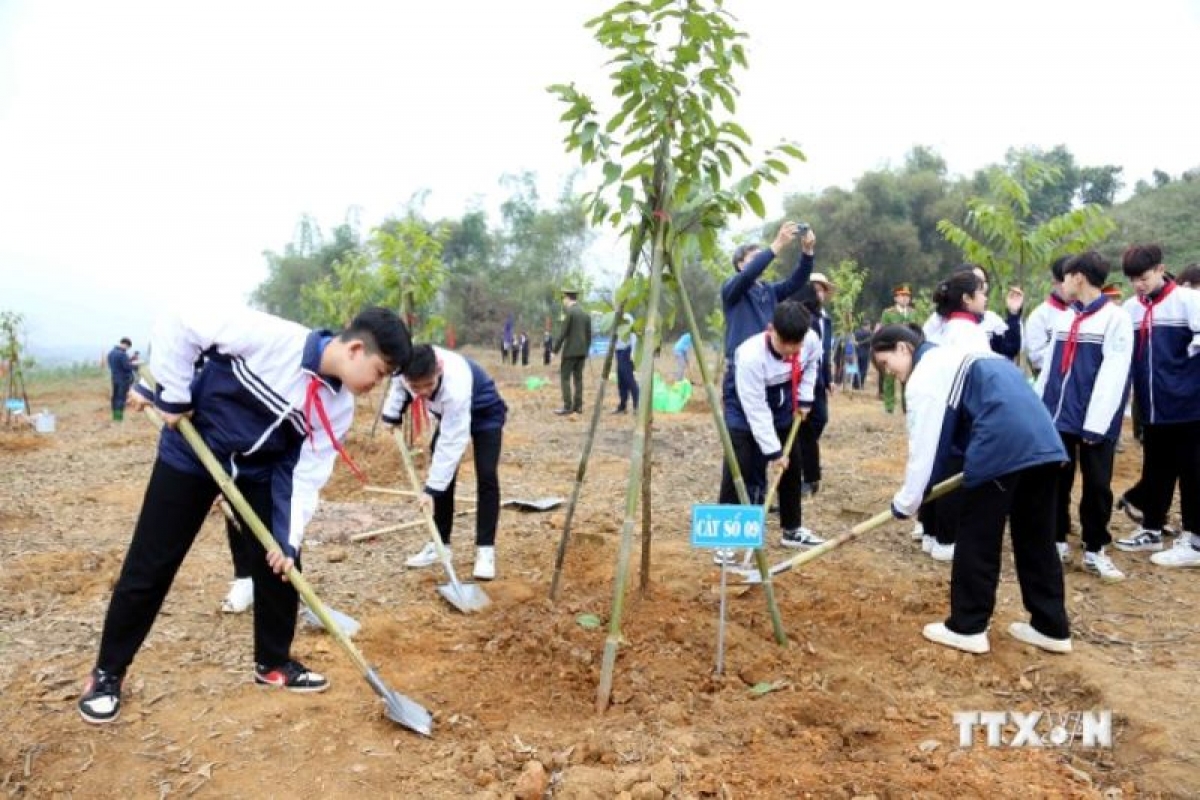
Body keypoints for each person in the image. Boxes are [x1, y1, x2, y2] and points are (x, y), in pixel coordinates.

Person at [77, 305, 412, 724]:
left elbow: (307, 475)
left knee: (281, 561)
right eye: (380, 373)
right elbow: (178, 319)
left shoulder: (338, 406)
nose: (375, 385)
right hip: (193, 450)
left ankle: (273, 663)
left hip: (258, 471)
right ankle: (107, 673)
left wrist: (288, 539)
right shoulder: (271, 337)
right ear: (357, 349)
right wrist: (176, 394)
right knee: (152, 562)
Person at [874, 324, 1070, 655]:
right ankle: (1051, 626)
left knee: (977, 536)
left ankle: (968, 626)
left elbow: (925, 448)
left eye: (885, 363)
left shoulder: (926, 374)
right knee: (1036, 538)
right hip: (1044, 441)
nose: (889, 373)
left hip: (1001, 443)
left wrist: (905, 503)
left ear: (903, 349)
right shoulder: (962, 355)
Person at [1034, 251, 1132, 581]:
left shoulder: (1114, 319)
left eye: (1065, 277)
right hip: (1058, 417)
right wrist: (1038, 408)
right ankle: (1057, 539)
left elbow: (1114, 374)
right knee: (1056, 480)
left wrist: (1096, 423)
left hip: (1094, 420)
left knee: (1097, 486)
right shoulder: (1064, 317)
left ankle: (1094, 548)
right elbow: (1048, 369)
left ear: (1079, 277)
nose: (1061, 283)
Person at [383, 344, 507, 580]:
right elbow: (399, 387)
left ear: (438, 370)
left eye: (428, 385)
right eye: (416, 387)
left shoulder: (455, 385)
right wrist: (392, 413)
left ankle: (485, 550)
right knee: (441, 475)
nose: (423, 392)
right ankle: (440, 544)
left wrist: (430, 490)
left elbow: (452, 443)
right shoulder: (405, 370)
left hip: (484, 412)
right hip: (450, 415)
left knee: (487, 474)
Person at [716, 301, 824, 565]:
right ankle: (726, 541)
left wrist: (805, 397)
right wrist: (774, 451)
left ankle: (792, 529)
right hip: (744, 406)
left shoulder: (809, 339)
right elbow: (755, 408)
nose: (789, 350)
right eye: (784, 343)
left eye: (794, 345)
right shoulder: (751, 356)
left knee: (792, 463)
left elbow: (811, 365)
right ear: (771, 329)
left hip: (783, 396)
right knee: (740, 467)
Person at [1112, 245, 1200, 568]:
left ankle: (1195, 540)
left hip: (1189, 406)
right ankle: (1151, 528)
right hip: (1152, 406)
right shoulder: (1131, 309)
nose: (1139, 284)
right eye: (1133, 279)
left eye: (1144, 277)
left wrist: (1185, 378)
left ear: (1161, 269)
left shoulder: (1188, 302)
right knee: (1156, 467)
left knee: (1193, 471)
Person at [913, 269, 996, 562]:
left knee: (939, 468)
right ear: (967, 298)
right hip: (962, 410)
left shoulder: (945, 327)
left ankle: (931, 532)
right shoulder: (969, 333)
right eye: (982, 292)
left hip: (944, 408)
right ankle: (946, 539)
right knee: (953, 475)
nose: (986, 298)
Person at [721, 222, 813, 364]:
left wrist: (807, 253)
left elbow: (796, 282)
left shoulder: (769, 290)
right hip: (741, 363)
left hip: (768, 362)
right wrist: (778, 243)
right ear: (740, 264)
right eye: (755, 258)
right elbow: (748, 274)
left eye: (761, 257)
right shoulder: (732, 289)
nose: (761, 261)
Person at [794, 275, 835, 498]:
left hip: (817, 378)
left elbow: (824, 353)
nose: (818, 293)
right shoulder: (801, 318)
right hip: (801, 379)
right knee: (806, 428)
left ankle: (805, 461)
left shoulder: (825, 319)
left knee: (820, 419)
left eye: (822, 290)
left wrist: (827, 379)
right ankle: (808, 474)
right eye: (815, 289)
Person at [1024, 257, 1071, 377]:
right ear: (1055, 282)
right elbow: (1036, 358)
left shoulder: (1086, 312)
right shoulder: (1039, 317)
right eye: (1065, 282)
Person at [553, 287, 591, 415]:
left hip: (570, 352)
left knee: (565, 378)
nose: (563, 301)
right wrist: (586, 349)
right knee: (578, 379)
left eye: (563, 298)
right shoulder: (585, 313)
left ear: (568, 298)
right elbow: (589, 335)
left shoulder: (570, 313)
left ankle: (567, 406)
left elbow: (563, 333)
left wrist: (555, 350)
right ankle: (578, 406)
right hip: (582, 352)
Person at [878, 285, 915, 413]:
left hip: (908, 351)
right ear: (896, 298)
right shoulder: (888, 313)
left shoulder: (913, 313)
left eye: (907, 296)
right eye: (902, 295)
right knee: (889, 379)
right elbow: (884, 332)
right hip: (893, 350)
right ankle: (889, 407)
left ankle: (906, 407)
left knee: (908, 380)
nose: (905, 298)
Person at [613, 315, 639, 414]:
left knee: (629, 379)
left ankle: (637, 405)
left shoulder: (627, 318)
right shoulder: (617, 317)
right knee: (621, 380)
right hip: (619, 351)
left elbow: (633, 336)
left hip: (627, 350)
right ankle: (623, 406)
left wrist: (633, 353)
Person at [106, 337, 137, 421]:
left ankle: (114, 415)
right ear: (126, 345)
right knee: (121, 398)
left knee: (115, 397)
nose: (127, 349)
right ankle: (118, 418)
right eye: (128, 347)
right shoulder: (122, 354)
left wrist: (130, 359)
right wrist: (136, 366)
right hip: (123, 379)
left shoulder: (111, 353)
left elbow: (115, 364)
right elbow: (127, 367)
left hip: (114, 378)